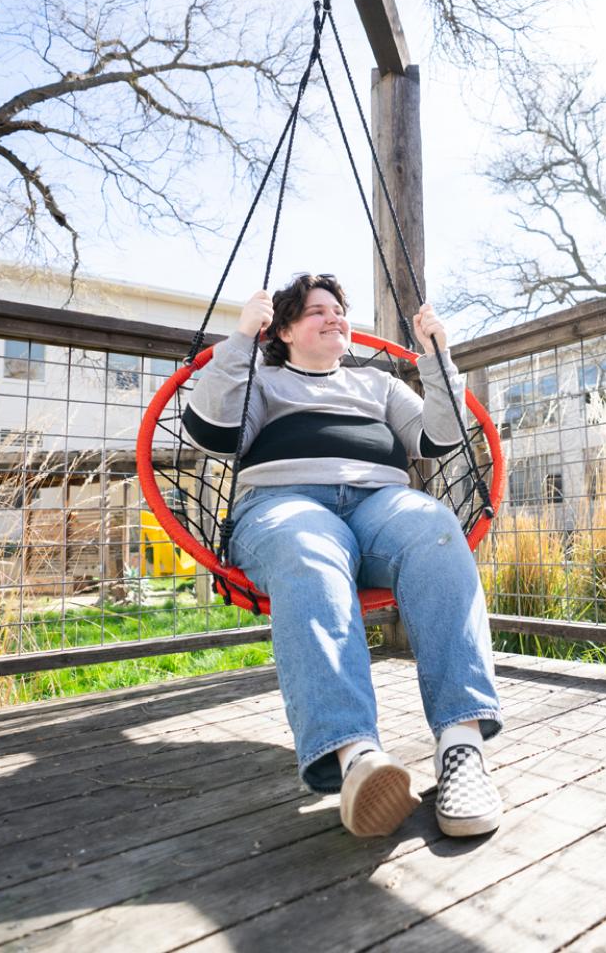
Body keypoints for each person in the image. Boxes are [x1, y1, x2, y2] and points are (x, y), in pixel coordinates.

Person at [183, 273, 503, 838]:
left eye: (339, 310)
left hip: (381, 504)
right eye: (316, 312)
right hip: (285, 504)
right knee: (310, 552)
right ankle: (356, 758)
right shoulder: (265, 379)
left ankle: (461, 749)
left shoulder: (376, 384)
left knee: (435, 529)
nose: (334, 317)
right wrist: (239, 340)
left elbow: (440, 437)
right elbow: (212, 429)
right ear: (281, 330)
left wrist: (437, 356)